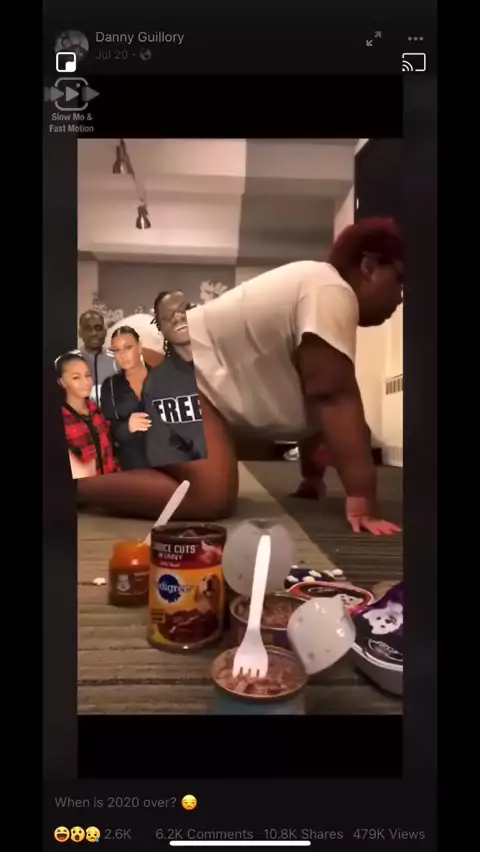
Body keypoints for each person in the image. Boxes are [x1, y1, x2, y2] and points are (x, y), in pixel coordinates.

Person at [77, 218, 403, 535]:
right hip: (149, 354)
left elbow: (321, 410)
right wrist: (362, 501)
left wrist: (311, 478)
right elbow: (333, 398)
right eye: (399, 279)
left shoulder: (322, 307)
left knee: (210, 480)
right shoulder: (331, 289)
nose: (400, 296)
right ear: (369, 267)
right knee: (211, 493)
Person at [56, 352, 119, 478]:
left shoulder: (95, 410)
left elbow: (109, 453)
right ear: (62, 382)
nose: (86, 382)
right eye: (76, 378)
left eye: (87, 375)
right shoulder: (61, 420)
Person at [100, 326, 153, 471]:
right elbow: (107, 428)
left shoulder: (162, 378)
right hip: (132, 465)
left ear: (139, 346)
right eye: (117, 350)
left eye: (128, 347)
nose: (122, 355)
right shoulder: (110, 386)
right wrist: (127, 427)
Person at [78, 310, 117, 406]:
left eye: (98, 328)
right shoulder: (66, 362)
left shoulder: (118, 360)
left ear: (105, 332)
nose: (93, 333)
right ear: (80, 333)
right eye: (88, 329)